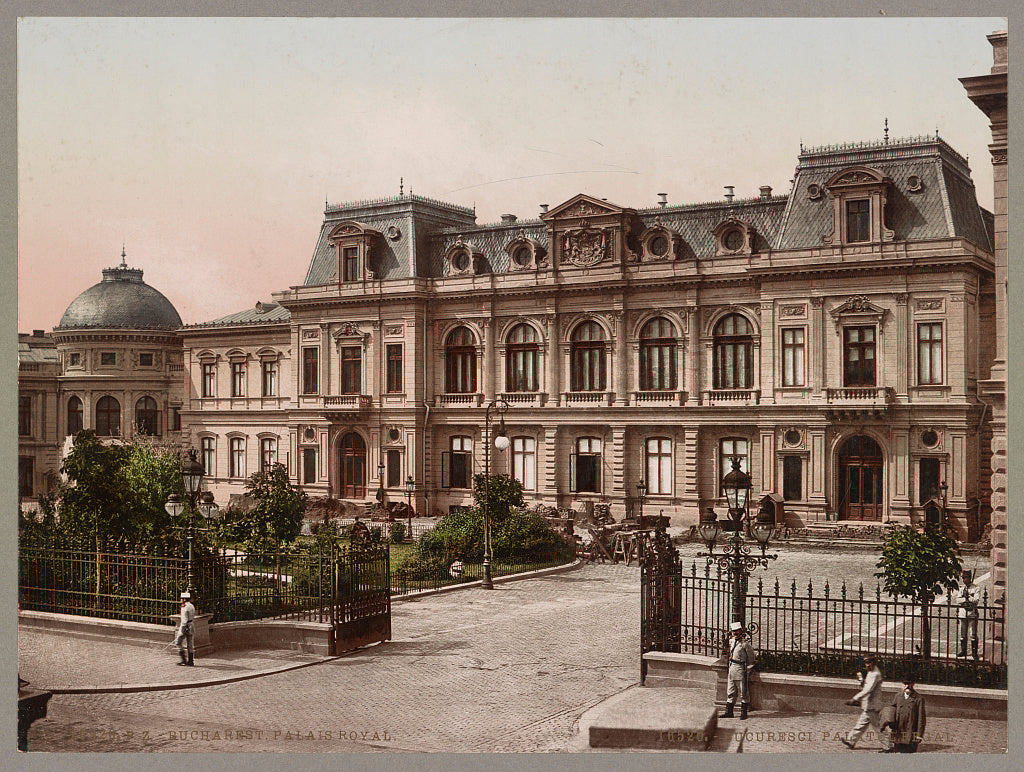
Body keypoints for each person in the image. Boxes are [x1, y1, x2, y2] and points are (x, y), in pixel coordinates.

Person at [841, 655, 892, 752]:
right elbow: (867, 686)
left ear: (874, 663)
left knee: (877, 727)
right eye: (866, 663)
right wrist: (862, 682)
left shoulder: (875, 674)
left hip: (872, 706)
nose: (868, 665)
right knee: (861, 724)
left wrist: (855, 698)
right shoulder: (871, 672)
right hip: (868, 705)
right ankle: (851, 741)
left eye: (870, 663)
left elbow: (868, 689)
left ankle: (888, 746)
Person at [720, 621, 756, 720]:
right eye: (733, 631)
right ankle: (729, 712)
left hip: (740, 669)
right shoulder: (731, 642)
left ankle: (743, 713)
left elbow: (751, 659)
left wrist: (747, 670)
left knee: (743, 692)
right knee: (730, 690)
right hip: (732, 668)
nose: (735, 633)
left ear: (741, 631)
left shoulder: (745, 644)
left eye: (737, 631)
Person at [886, 676, 926, 753]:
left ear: (913, 684)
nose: (907, 686)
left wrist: (919, 735)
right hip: (898, 734)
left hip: (911, 735)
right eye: (905, 684)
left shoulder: (918, 699)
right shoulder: (898, 696)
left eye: (909, 684)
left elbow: (921, 718)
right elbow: (892, 710)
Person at [954, 569, 981, 659]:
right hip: (962, 613)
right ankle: (963, 651)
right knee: (962, 634)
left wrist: (968, 596)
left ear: (969, 578)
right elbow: (957, 600)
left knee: (972, 634)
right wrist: (965, 599)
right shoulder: (962, 588)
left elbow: (976, 600)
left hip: (971, 613)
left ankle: (974, 652)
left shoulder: (976, 588)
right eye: (963, 578)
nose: (963, 580)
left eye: (965, 578)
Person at [173, 591, 196, 666]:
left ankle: (183, 660)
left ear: (184, 599)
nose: (180, 600)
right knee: (190, 644)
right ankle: (191, 661)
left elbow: (184, 620)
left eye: (181, 598)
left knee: (178, 642)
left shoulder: (184, 607)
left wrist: (182, 631)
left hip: (185, 626)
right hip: (191, 625)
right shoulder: (192, 606)